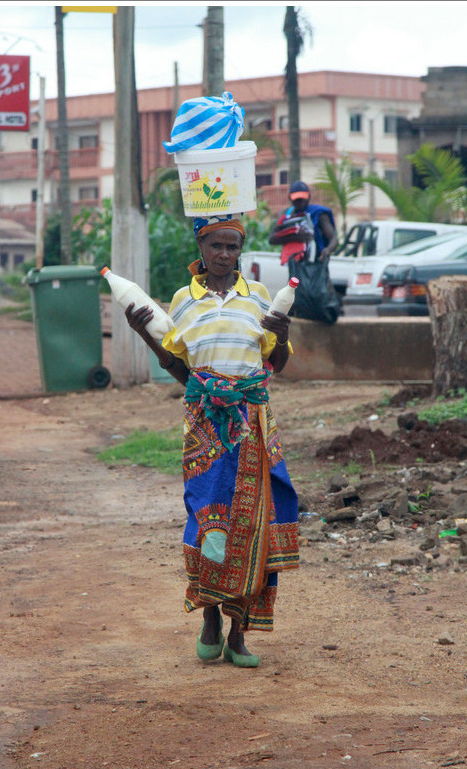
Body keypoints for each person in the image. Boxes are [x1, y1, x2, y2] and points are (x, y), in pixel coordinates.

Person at [125, 215, 300, 668]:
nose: (225, 254)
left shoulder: (259, 296)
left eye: (233, 247)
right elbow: (178, 368)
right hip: (205, 424)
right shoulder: (183, 302)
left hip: (253, 421)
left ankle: (239, 632)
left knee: (256, 521)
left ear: (240, 250)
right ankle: (209, 618)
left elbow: (275, 363)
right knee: (207, 519)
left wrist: (282, 336)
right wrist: (143, 330)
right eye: (217, 246)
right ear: (201, 246)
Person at [269, 180, 338, 265]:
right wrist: (294, 237)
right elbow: (272, 239)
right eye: (297, 199)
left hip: (316, 263)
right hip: (294, 264)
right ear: (290, 198)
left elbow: (334, 238)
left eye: (302, 198)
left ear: (308, 197)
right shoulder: (286, 215)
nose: (300, 201)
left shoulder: (318, 213)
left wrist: (327, 250)